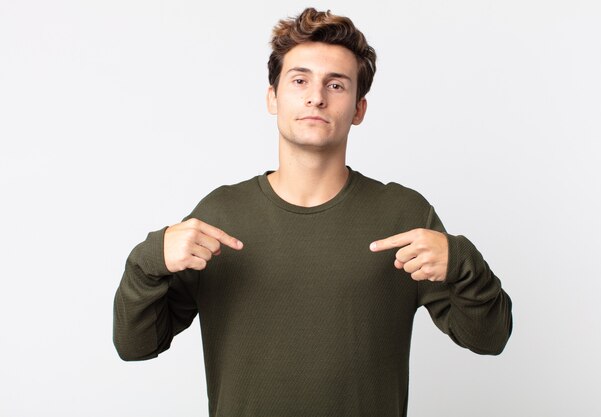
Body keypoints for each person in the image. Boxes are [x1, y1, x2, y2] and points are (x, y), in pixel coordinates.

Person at [113, 7, 513, 417]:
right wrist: (149, 260)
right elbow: (137, 345)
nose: (316, 96)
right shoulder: (220, 214)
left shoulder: (402, 215)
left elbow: (489, 338)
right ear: (272, 97)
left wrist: (463, 263)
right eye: (300, 79)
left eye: (336, 85)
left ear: (359, 109)